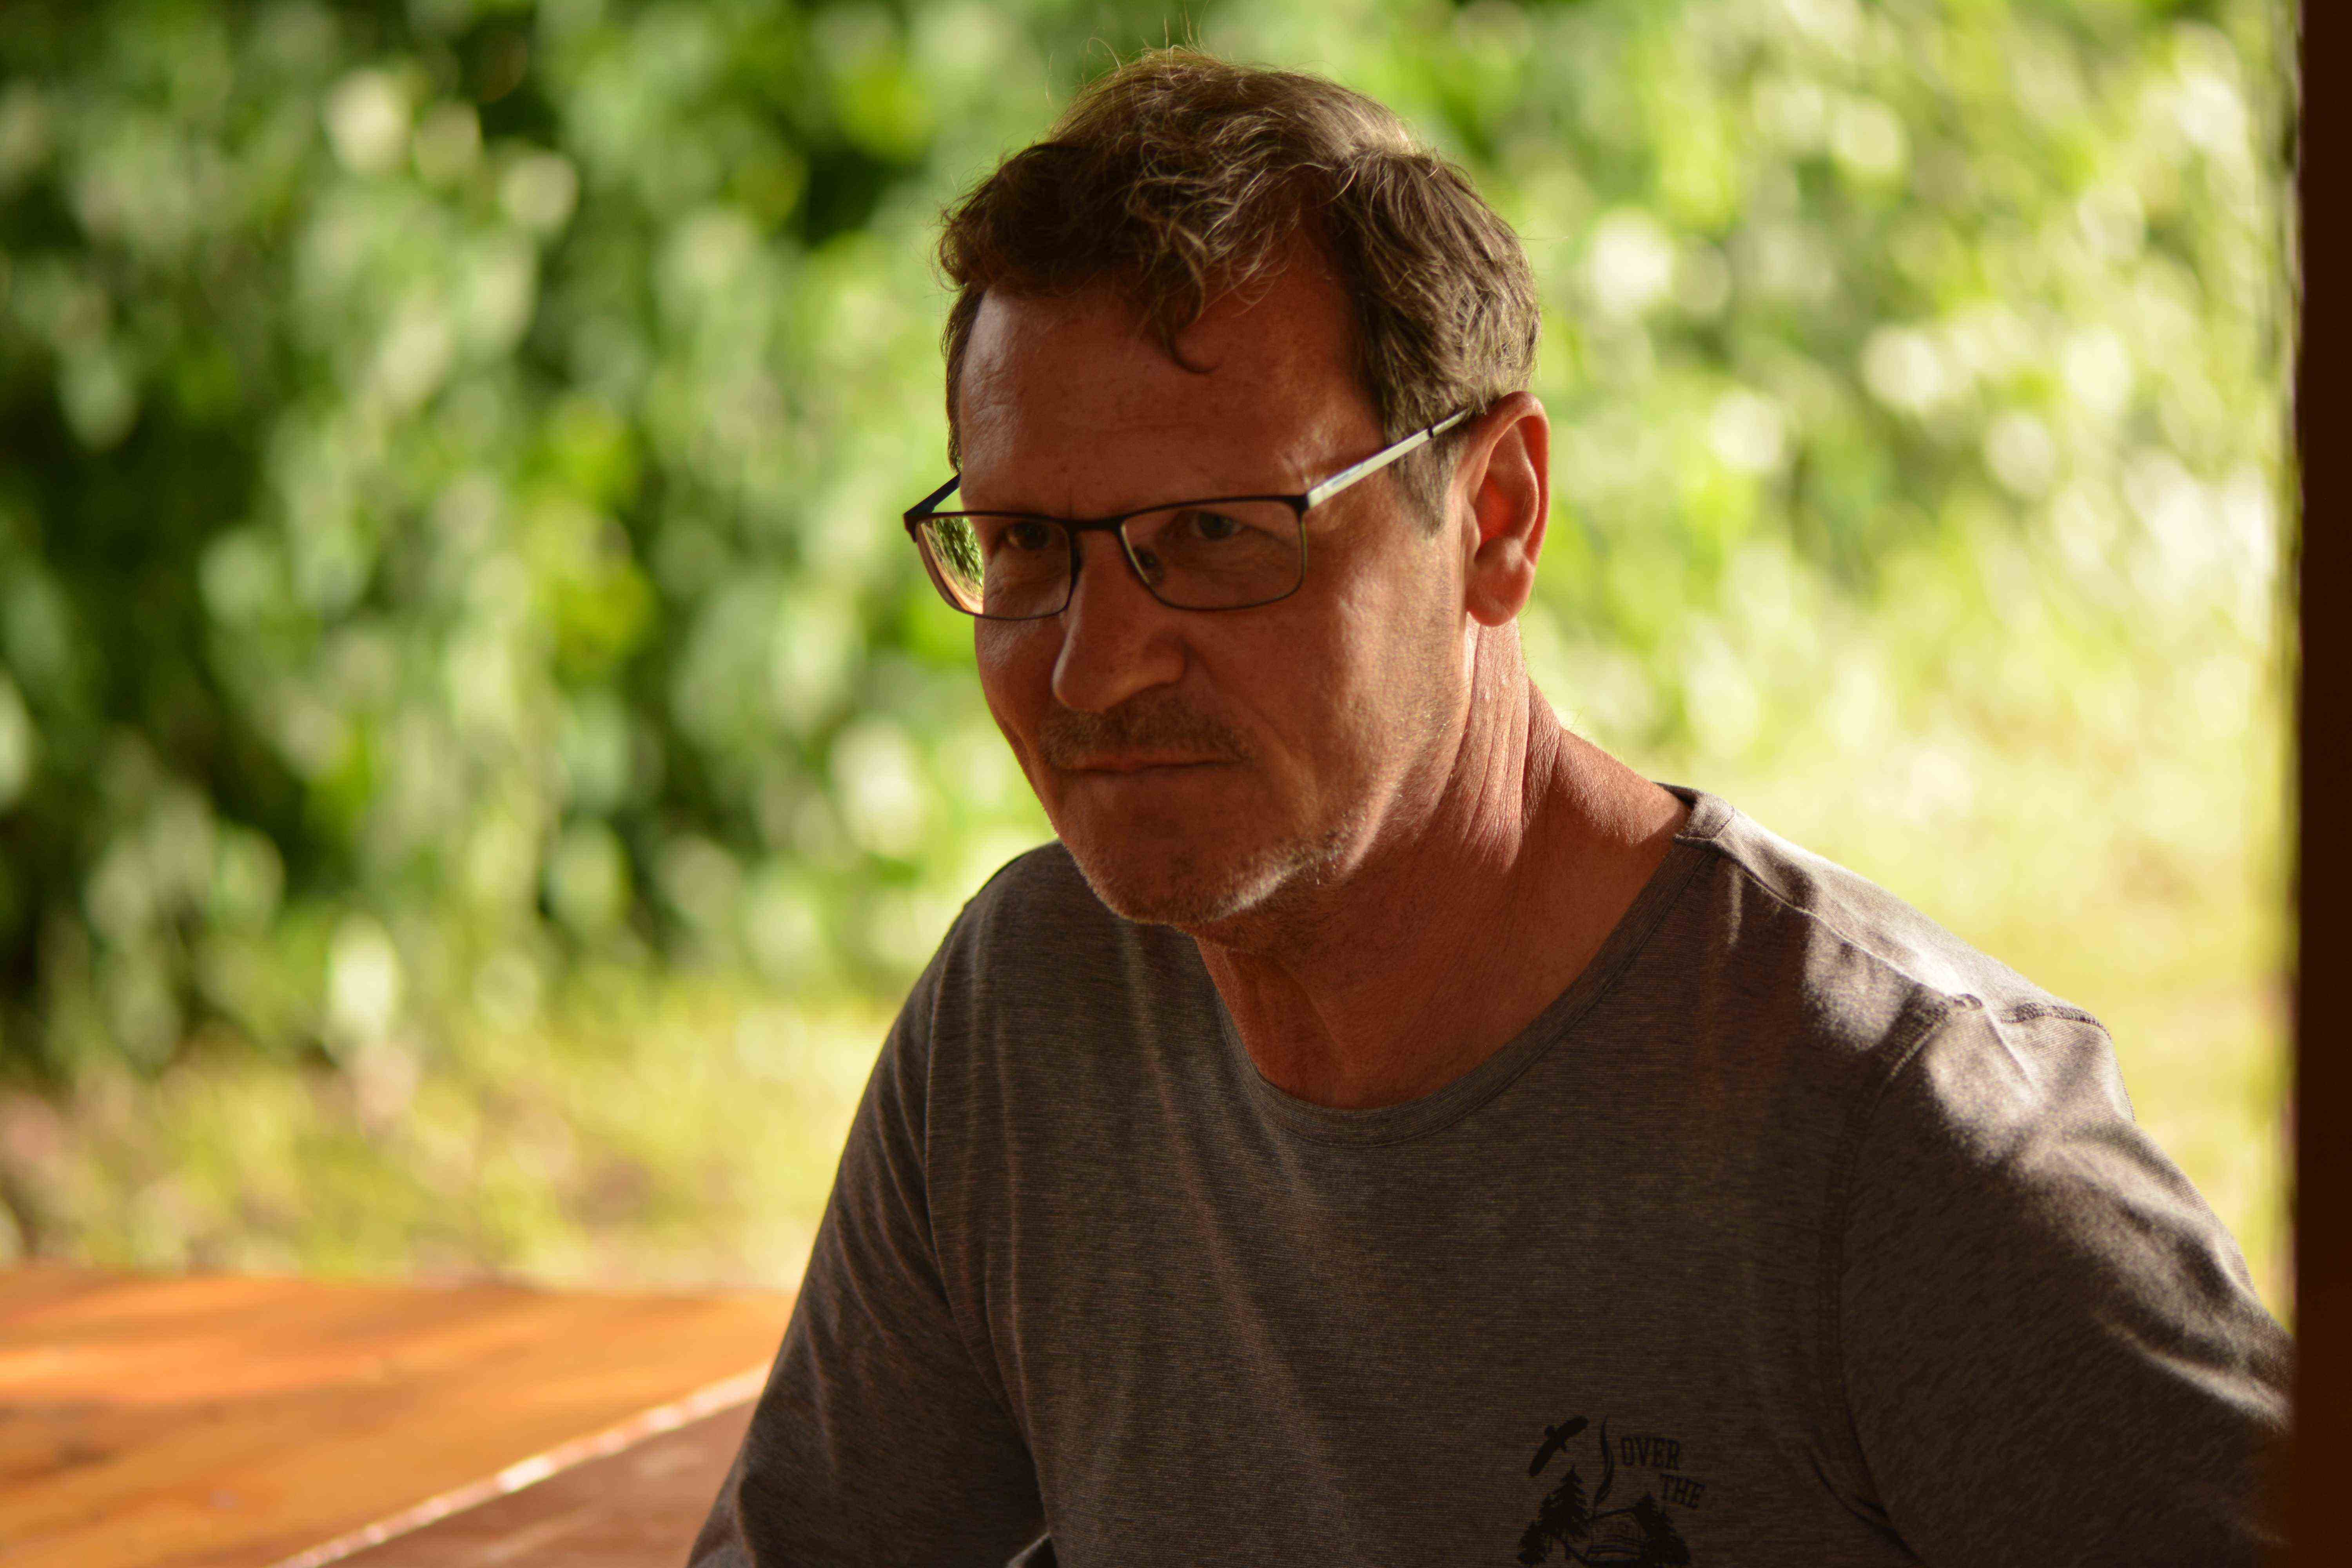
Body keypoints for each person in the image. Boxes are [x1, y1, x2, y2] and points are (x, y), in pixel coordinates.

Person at [690, 49, 2288, 1568]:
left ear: (1497, 517)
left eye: (1218, 534)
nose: (1094, 668)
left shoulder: (1902, 1142)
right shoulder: (1029, 1018)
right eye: (1029, 544)